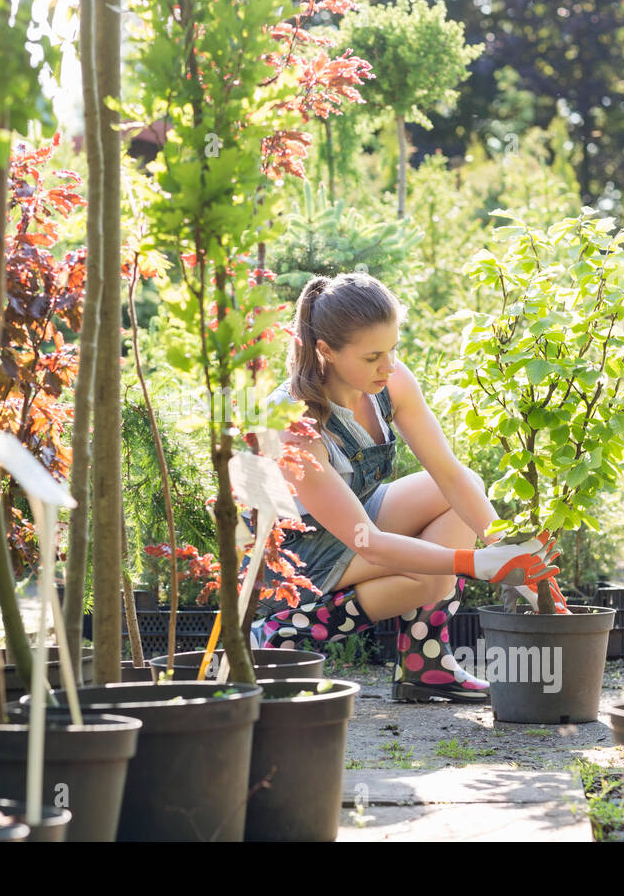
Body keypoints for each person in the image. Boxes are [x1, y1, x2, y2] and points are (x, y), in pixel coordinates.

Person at [241, 272, 570, 703]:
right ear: (325, 351)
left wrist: (514, 557)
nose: (389, 365)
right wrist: (479, 563)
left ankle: (426, 667)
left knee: (465, 486)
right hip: (294, 557)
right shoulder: (295, 423)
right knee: (431, 580)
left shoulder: (388, 383)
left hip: (355, 518)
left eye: (393, 348)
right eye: (373, 355)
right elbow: (369, 542)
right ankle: (283, 630)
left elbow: (448, 475)